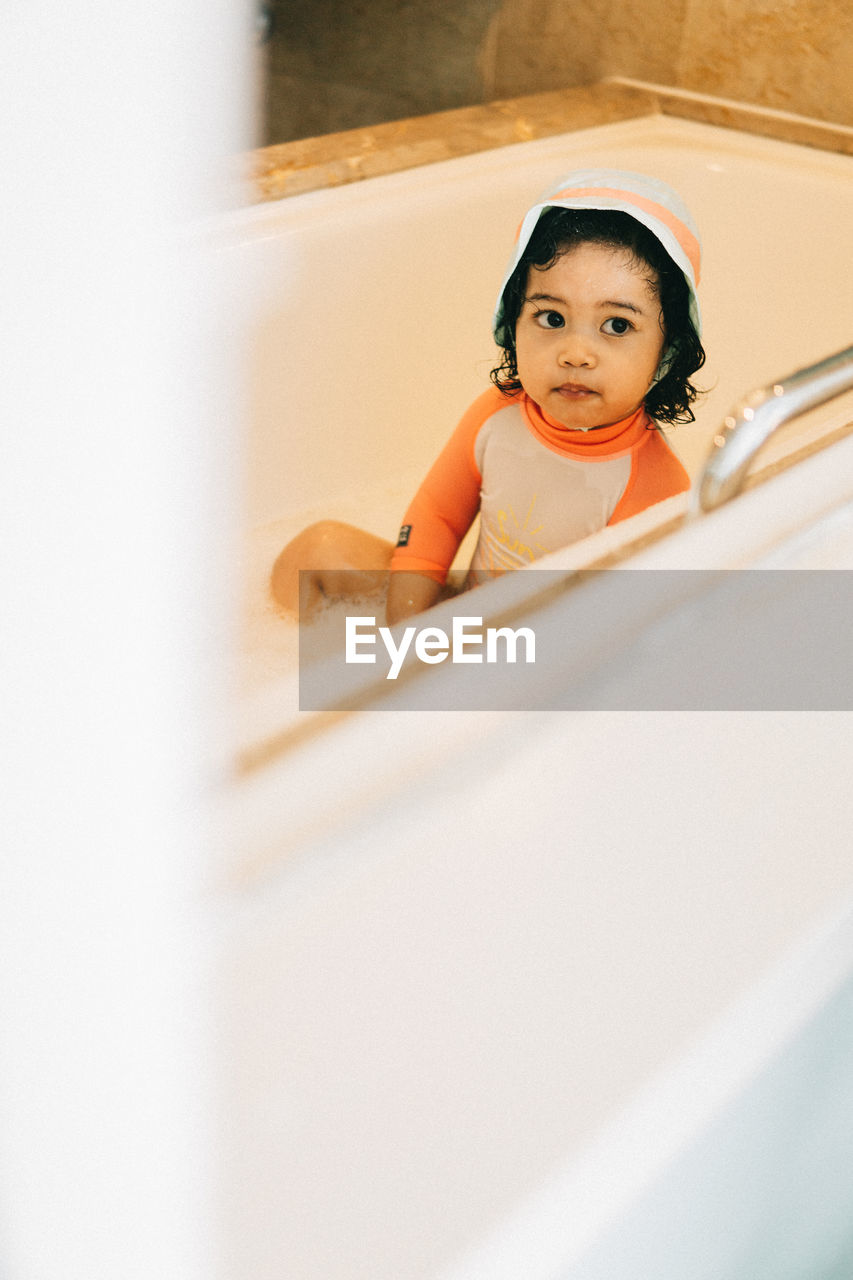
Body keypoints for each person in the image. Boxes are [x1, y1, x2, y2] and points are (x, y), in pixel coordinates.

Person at [271, 168, 705, 625]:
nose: (576, 354)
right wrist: (406, 633)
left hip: (543, 654)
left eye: (617, 325)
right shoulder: (496, 416)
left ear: (666, 355)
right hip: (461, 614)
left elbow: (608, 629)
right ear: (513, 322)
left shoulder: (657, 488)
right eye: (552, 318)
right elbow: (435, 519)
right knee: (318, 549)